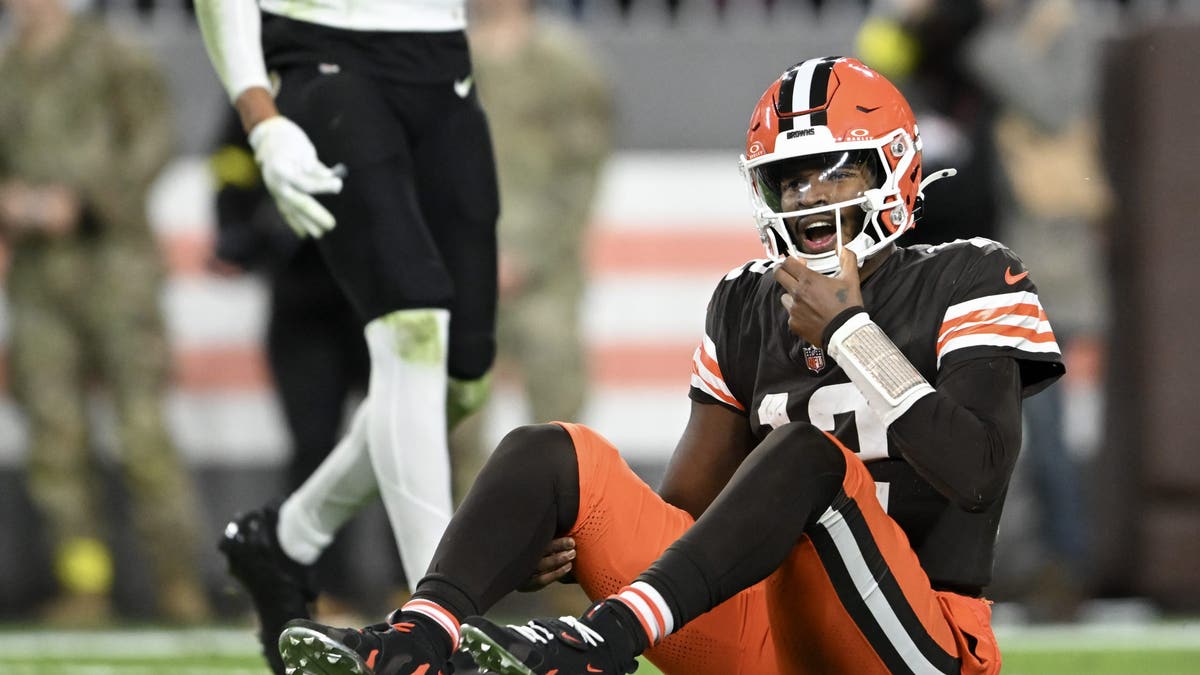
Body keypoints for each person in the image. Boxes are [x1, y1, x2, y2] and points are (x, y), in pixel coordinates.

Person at [275, 57, 1064, 675]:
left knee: (805, 452)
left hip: (922, 641)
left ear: (894, 170)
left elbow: (979, 473)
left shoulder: (969, 277)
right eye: (790, 179)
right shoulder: (745, 304)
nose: (809, 197)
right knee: (553, 454)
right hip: (766, 635)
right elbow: (687, 513)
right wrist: (574, 542)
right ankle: (412, 640)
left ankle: (599, 642)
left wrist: (854, 334)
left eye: (835, 171)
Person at [193, 1, 500, 672]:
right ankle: (440, 628)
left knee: (463, 375)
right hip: (324, 52)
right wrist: (261, 116)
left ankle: (284, 539)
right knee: (412, 328)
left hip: (443, 59)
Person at [0, 0, 211, 624]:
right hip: (38, 279)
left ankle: (177, 582)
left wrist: (90, 203)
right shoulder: (8, 67)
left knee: (143, 429)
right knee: (55, 437)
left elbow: (154, 138)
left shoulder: (112, 54)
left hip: (116, 271)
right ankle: (84, 584)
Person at [963, 0, 1112, 621]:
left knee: (1043, 421)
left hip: (1055, 253)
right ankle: (1030, 564)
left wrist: (989, 43)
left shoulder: (1065, 25)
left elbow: (1055, 109)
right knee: (1013, 418)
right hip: (1012, 252)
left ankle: (1065, 565)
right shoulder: (1023, 29)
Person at [454, 0, 613, 501]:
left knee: (559, 423)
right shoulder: (445, 60)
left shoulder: (564, 62)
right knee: (457, 428)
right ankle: (470, 569)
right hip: (461, 268)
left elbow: (582, 170)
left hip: (547, 273)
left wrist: (531, 253)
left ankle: (565, 570)